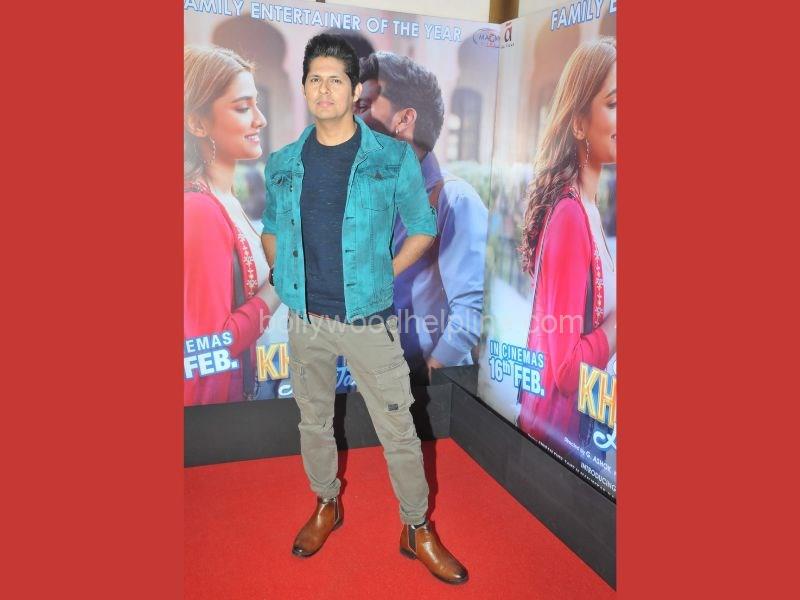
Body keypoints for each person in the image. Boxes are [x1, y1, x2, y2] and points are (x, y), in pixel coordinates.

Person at [261, 34, 468, 585]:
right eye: (315, 79)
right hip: (306, 321)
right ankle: (326, 503)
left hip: (369, 322)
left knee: (399, 429)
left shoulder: (391, 157)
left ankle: (416, 527)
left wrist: (384, 273)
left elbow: (423, 228)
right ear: (305, 88)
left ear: (355, 91)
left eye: (336, 79)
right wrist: (285, 276)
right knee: (313, 421)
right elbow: (272, 228)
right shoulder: (282, 163)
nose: (324, 89)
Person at [355, 52, 488, 384]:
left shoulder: (454, 200)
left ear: (405, 118)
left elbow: (468, 317)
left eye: (365, 105)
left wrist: (423, 384)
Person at [516, 38, 617, 457]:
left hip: (576, 428)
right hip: (560, 439)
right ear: (578, 124)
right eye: (614, 103)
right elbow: (564, 370)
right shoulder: (570, 217)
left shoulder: (588, 208)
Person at [184, 45, 280, 406]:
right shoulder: (199, 210)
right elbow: (211, 347)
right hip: (223, 415)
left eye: (257, 104)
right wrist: (281, 283)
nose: (260, 119)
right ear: (197, 123)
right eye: (243, 108)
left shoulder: (225, 197)